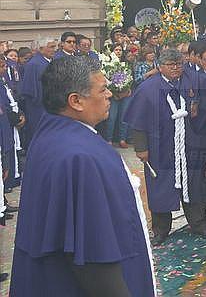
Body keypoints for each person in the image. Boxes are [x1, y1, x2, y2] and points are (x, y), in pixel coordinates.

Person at [10, 56, 156, 296]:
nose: (109, 94)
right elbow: (94, 254)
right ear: (75, 101)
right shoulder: (81, 157)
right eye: (103, 89)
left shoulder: (52, 132)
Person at [125, 48, 206, 244]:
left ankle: (199, 223)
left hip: (188, 145)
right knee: (160, 187)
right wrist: (141, 148)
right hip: (160, 147)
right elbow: (138, 122)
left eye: (178, 64)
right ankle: (160, 230)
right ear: (160, 67)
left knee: (193, 185)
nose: (175, 68)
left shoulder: (189, 82)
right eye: (170, 65)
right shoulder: (148, 89)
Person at [18, 36, 57, 141]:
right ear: (41, 48)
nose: (54, 49)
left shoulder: (52, 61)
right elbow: (29, 89)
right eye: (51, 47)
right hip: (39, 107)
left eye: (55, 47)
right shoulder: (33, 64)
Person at [0, 57, 23, 190]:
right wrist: (14, 117)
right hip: (5, 124)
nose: (4, 69)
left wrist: (19, 114)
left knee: (9, 153)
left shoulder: (3, 81)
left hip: (9, 123)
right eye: (2, 66)